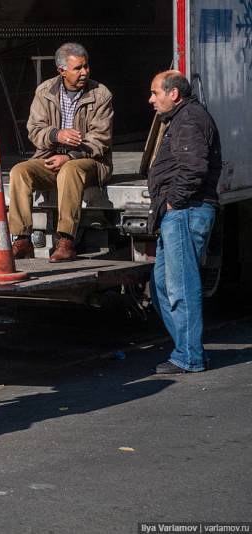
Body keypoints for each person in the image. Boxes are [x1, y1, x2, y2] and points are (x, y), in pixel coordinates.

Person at [8, 42, 113, 262]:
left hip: (89, 161)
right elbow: (34, 130)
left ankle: (65, 240)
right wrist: (57, 135)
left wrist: (69, 156)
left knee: (70, 169)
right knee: (20, 171)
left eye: (86, 67)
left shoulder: (101, 94)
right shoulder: (45, 91)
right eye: (78, 68)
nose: (84, 72)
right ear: (61, 70)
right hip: (49, 157)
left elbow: (101, 140)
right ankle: (22, 239)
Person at [147, 71, 222, 374]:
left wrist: (172, 201)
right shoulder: (181, 118)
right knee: (162, 285)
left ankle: (189, 355)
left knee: (180, 286)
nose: (151, 99)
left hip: (186, 211)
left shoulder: (188, 119)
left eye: (155, 93)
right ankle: (188, 349)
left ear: (173, 94)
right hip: (179, 212)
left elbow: (193, 167)